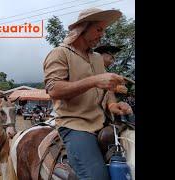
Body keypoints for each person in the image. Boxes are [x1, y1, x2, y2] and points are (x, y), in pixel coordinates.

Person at [43, 8, 133, 179]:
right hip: (75, 125)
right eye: (99, 29)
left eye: (104, 30)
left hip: (104, 122)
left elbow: (107, 91)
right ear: (83, 28)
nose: (102, 35)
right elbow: (53, 89)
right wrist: (94, 81)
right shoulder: (60, 53)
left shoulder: (97, 58)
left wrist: (113, 105)